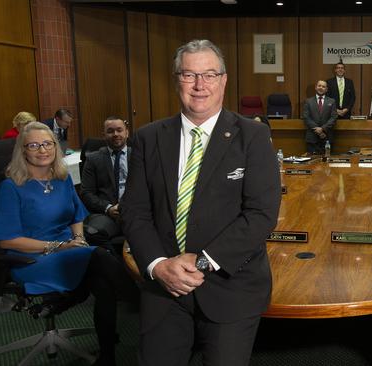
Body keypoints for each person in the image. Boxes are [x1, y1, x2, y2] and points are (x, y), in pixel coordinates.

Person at [120, 39, 281, 366]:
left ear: (223, 81)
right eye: (189, 75)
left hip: (230, 286)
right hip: (163, 287)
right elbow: (134, 212)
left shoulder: (253, 137)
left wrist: (202, 263)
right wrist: (158, 266)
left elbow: (261, 215)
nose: (199, 85)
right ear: (176, 79)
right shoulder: (148, 138)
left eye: (209, 75)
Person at [0, 122, 136, 365]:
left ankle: (107, 356)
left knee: (103, 285)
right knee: (98, 256)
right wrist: (58, 247)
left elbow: (77, 216)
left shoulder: (62, 179)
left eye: (47, 144)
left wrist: (78, 238)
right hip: (32, 259)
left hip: (67, 251)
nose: (42, 150)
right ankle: (148, 302)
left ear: (56, 147)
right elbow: (7, 240)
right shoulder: (10, 187)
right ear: (22, 151)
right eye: (33, 145)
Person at [80, 116, 130, 251]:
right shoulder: (93, 159)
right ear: (104, 135)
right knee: (92, 232)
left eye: (119, 130)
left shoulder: (139, 155)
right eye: (110, 131)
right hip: (107, 214)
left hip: (135, 212)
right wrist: (108, 208)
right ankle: (115, 267)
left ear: (127, 132)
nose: (115, 134)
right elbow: (86, 193)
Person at [302, 80, 338, 154]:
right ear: (316, 87)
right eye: (319, 86)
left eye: (323, 86)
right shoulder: (308, 101)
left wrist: (322, 129)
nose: (321, 88)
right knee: (311, 162)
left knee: (327, 162)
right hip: (312, 137)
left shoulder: (332, 101)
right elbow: (306, 117)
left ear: (326, 89)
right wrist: (318, 130)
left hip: (326, 136)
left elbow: (333, 117)